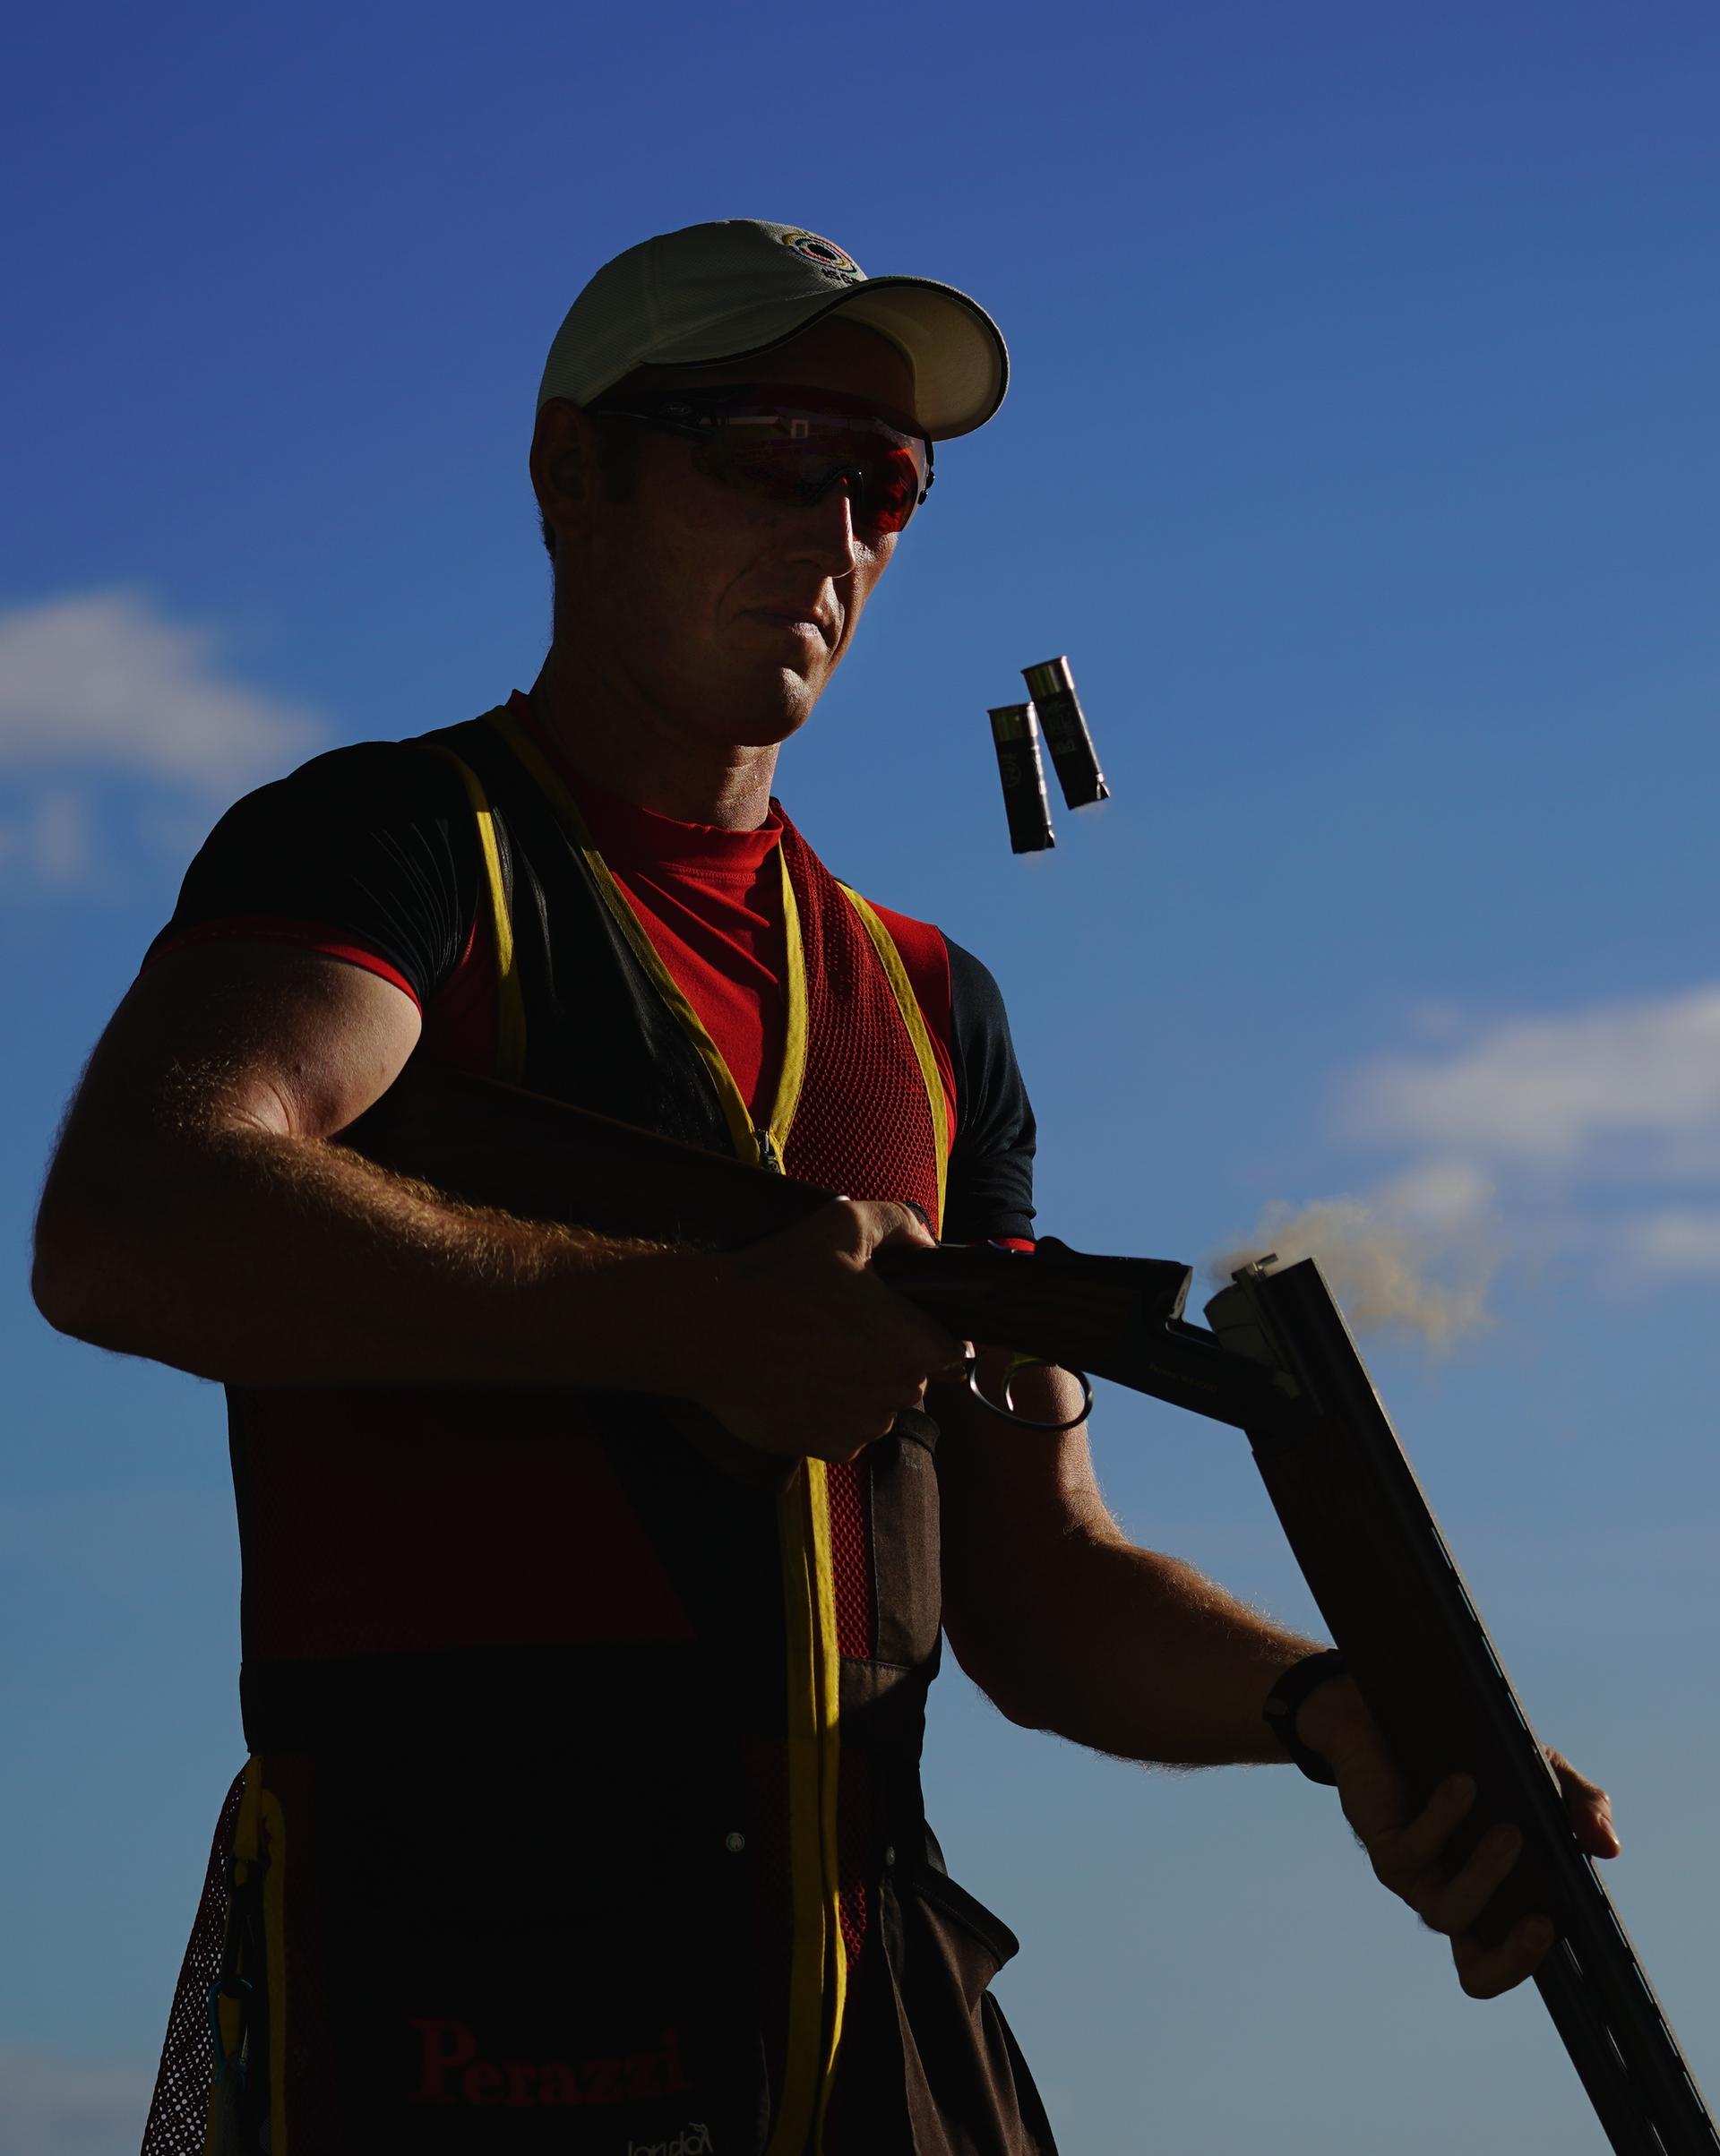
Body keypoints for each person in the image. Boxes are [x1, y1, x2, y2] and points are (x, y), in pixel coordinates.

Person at [32, 219, 1617, 2156]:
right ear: (569, 469)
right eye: (777, 449)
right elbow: (135, 1212)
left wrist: (1328, 1703)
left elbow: (1039, 1583)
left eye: (889, 485)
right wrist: (689, 1319)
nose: (842, 530)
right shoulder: (397, 850)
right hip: (456, 2028)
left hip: (867, 2029)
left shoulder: (934, 1005)